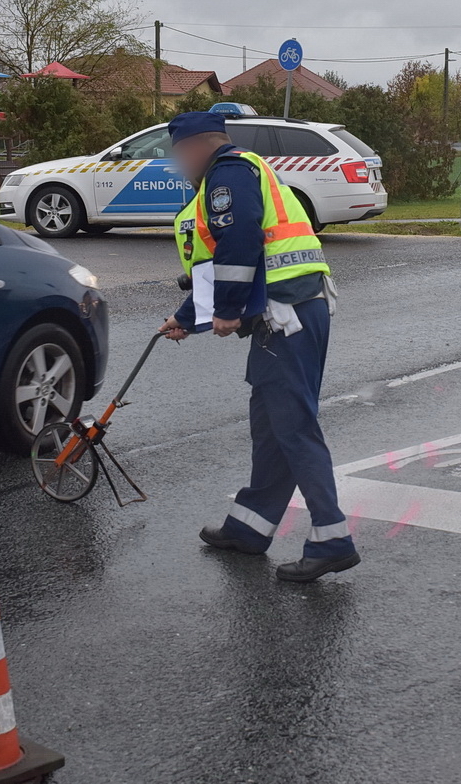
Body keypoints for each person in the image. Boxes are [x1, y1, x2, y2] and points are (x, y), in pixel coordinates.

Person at [158, 111, 359, 583]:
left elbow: (241, 240)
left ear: (197, 147)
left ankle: (333, 539)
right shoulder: (239, 170)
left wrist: (225, 311)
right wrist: (188, 318)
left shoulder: (227, 174)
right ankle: (250, 527)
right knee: (271, 425)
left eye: (178, 153)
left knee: (294, 426)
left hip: (286, 316)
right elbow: (224, 260)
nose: (178, 164)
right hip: (293, 311)